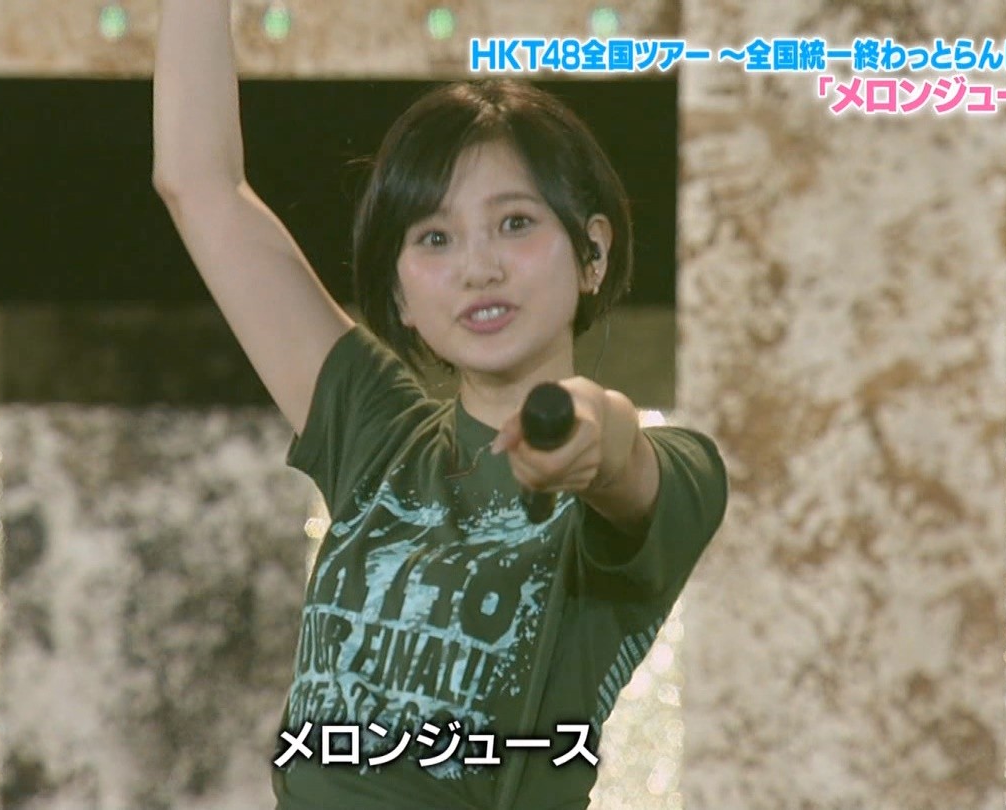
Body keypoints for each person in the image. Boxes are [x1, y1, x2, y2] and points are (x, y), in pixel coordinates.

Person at [152, 3, 727, 808]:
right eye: (434, 238)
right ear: (399, 293)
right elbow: (199, 185)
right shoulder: (376, 431)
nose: (477, 267)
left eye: (515, 223)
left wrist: (580, 431)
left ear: (592, 251)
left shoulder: (681, 474)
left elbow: (619, 449)